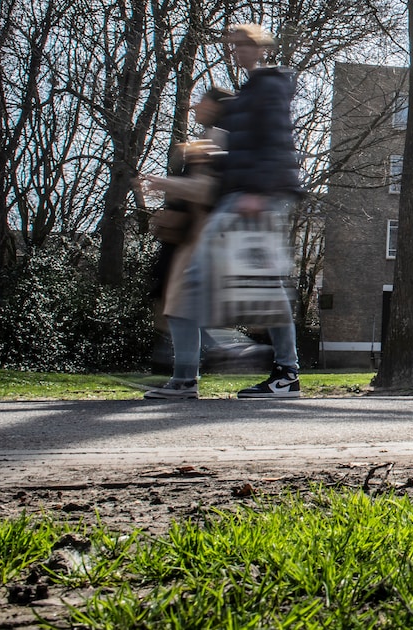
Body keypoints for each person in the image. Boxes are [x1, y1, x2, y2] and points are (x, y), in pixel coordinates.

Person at [181, 23, 305, 399]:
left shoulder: (268, 86)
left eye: (240, 44)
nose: (234, 51)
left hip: (254, 196)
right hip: (247, 193)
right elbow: (249, 144)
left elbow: (277, 141)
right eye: (230, 45)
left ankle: (226, 347)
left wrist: (260, 191)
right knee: (268, 284)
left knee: (198, 272)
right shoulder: (250, 91)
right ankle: (285, 371)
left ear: (258, 47)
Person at [140, 87, 233, 400]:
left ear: (215, 107)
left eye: (202, 101)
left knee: (182, 308)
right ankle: (187, 377)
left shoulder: (216, 138)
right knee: (182, 309)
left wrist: (162, 182)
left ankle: (222, 357)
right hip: (199, 236)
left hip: (201, 236)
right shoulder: (211, 138)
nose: (195, 105)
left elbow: (205, 189)